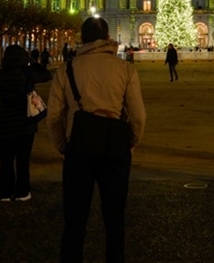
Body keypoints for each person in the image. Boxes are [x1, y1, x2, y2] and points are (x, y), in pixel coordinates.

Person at [48, 17, 146, 263]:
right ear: (108, 38)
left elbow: (53, 116)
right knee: (115, 221)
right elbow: (138, 115)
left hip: (78, 148)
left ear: (82, 39)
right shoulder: (124, 68)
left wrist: (64, 146)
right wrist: (131, 143)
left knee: (74, 221)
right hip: (115, 149)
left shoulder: (67, 69)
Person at [0, 44, 52, 201]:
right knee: (22, 160)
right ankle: (22, 192)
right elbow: (47, 75)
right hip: (25, 123)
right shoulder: (27, 74)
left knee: (5, 160)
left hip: (5, 123)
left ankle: (5, 192)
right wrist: (32, 61)